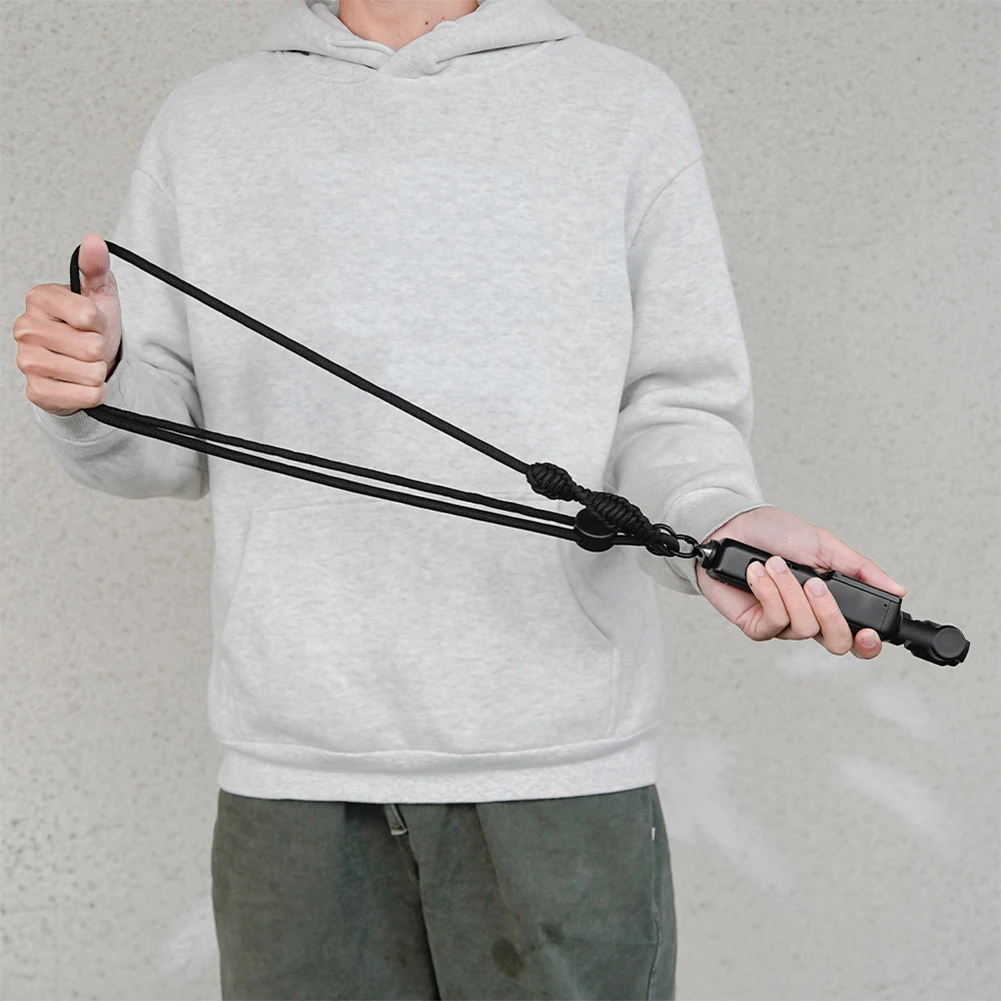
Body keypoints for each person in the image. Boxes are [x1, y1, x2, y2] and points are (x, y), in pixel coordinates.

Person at [14, 1, 908, 998]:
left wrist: (718, 522)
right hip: (293, 776)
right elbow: (164, 443)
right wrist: (94, 384)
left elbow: (672, 406)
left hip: (558, 775)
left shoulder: (621, 105)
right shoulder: (206, 119)